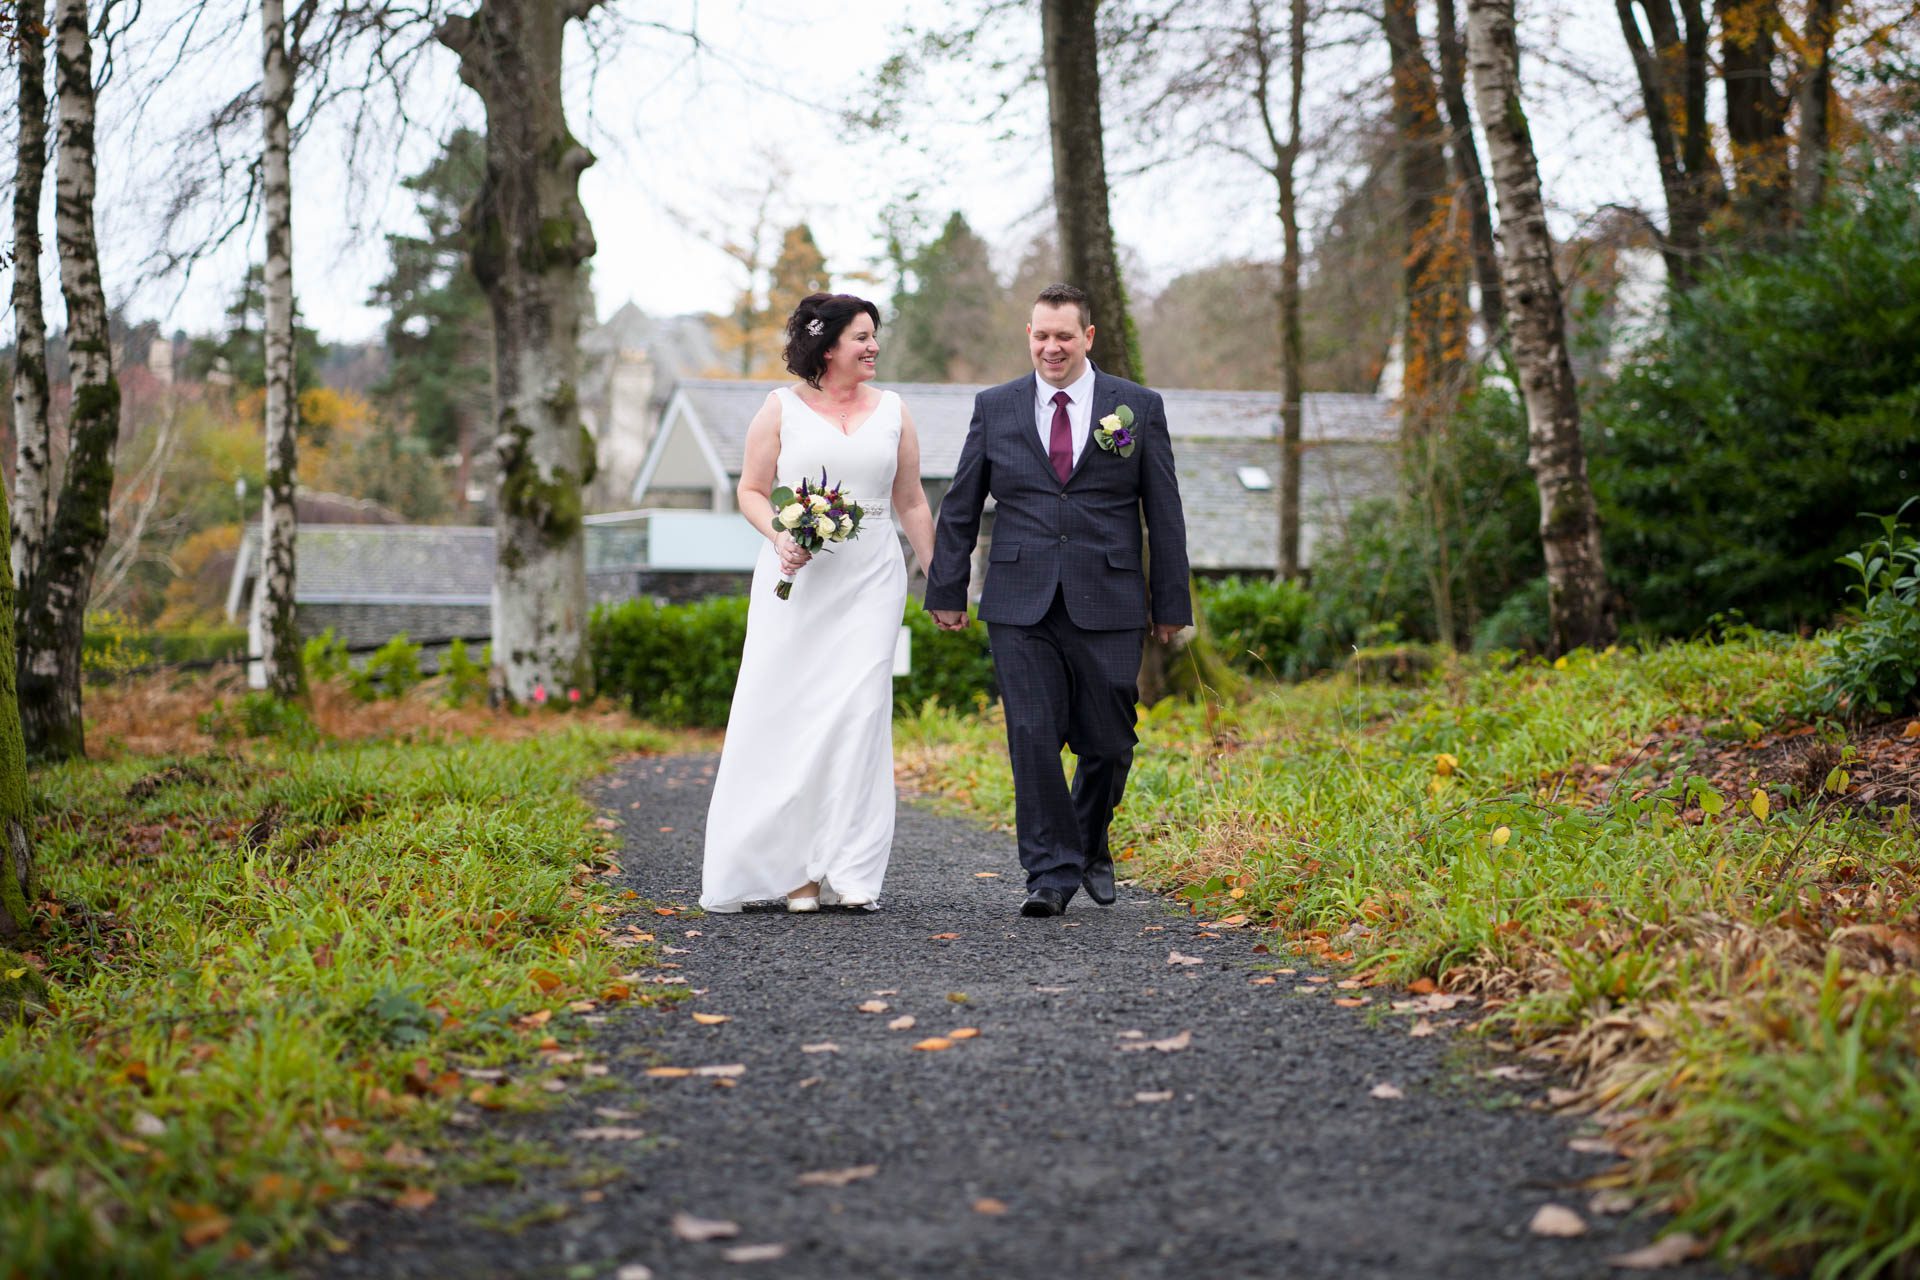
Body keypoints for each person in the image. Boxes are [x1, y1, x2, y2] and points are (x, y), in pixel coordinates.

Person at [923, 283, 1190, 917]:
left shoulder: (1137, 407)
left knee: (1109, 740)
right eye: (1041, 335)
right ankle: (1049, 872)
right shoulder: (996, 406)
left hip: (1110, 595)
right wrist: (948, 588)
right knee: (1032, 734)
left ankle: (1089, 840)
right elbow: (961, 506)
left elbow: (1165, 511)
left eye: (1064, 336)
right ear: (1029, 336)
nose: (1051, 347)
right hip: (1020, 599)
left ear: (1088, 337)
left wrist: (1170, 602)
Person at [699, 294, 937, 913]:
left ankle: (852, 869)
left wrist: (940, 576)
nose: (873, 346)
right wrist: (781, 534)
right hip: (797, 580)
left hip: (872, 580)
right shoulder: (779, 409)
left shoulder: (894, 411)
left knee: (859, 713)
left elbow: (911, 500)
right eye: (862, 337)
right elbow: (751, 491)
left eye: (874, 335)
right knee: (791, 713)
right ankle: (794, 873)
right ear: (826, 346)